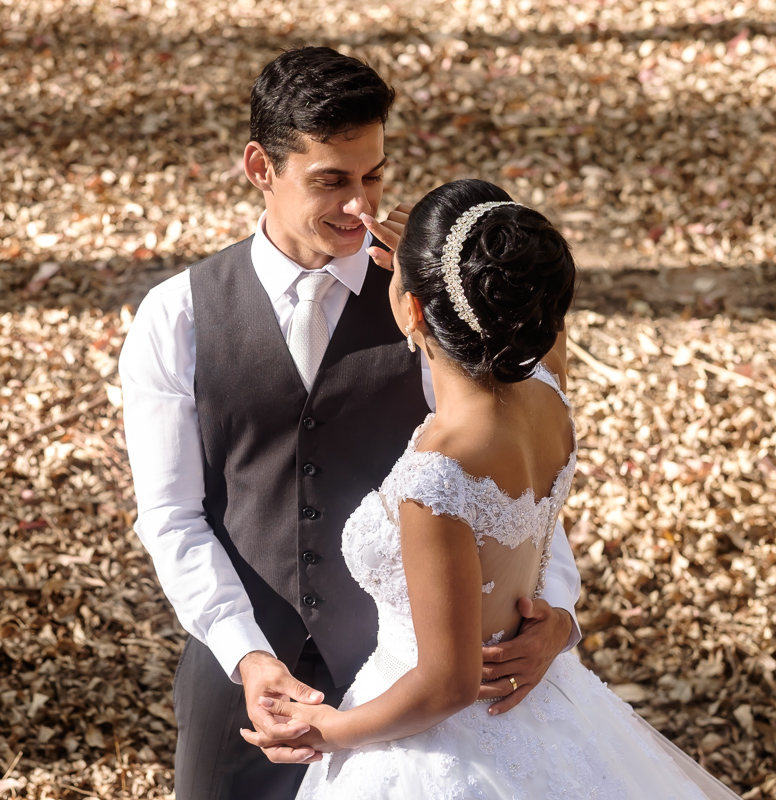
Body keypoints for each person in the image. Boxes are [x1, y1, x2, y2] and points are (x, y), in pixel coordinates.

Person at [119, 48, 583, 799]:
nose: (361, 207)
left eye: (374, 176)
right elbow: (171, 515)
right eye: (331, 180)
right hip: (240, 666)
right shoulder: (176, 318)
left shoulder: (431, 309)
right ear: (260, 168)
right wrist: (247, 656)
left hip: (409, 676)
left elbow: (508, 482)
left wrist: (556, 611)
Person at [243, 178, 741, 799]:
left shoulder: (438, 478)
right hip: (543, 702)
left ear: (413, 311)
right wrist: (443, 249)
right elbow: (541, 314)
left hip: (438, 740)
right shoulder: (548, 391)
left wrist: (331, 730)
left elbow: (447, 684)